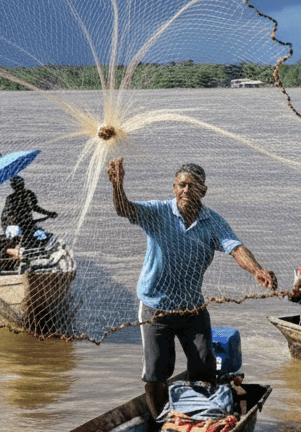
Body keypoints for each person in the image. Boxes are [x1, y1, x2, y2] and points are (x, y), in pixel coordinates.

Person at [107, 158, 276, 417]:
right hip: (155, 307)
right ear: (174, 188)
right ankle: (161, 423)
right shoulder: (158, 212)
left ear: (203, 191)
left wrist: (257, 270)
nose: (186, 190)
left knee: (204, 367)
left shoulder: (213, 222)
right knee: (156, 373)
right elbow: (125, 209)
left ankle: (201, 414)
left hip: (192, 307)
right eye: (181, 185)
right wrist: (117, 186)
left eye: (192, 186)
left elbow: (235, 248)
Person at [0, 175, 57, 242]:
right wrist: (9, 224)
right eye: (16, 185)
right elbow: (7, 214)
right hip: (18, 226)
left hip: (29, 224)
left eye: (21, 184)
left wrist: (49, 213)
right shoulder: (11, 198)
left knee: (43, 237)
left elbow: (35, 207)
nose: (19, 187)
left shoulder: (29, 194)